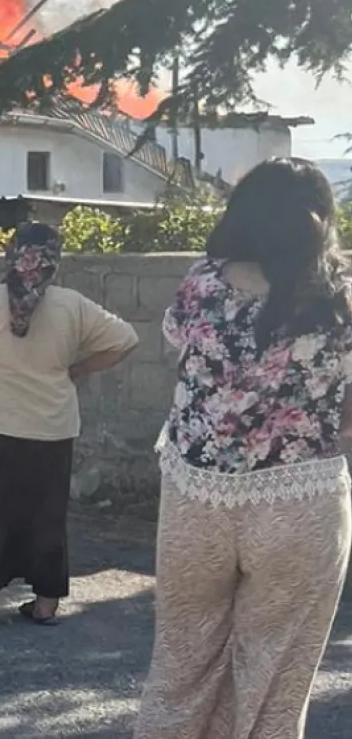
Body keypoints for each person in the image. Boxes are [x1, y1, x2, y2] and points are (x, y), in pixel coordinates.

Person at [134, 158, 352, 739]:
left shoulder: (200, 283)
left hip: (196, 495)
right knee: (275, 678)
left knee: (181, 663)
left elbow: (179, 356)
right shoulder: (340, 298)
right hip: (300, 499)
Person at [0, 221, 139, 631]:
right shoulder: (73, 305)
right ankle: (46, 602)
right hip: (52, 427)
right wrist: (80, 367)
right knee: (45, 515)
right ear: (54, 259)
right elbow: (125, 339)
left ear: (14, 254)